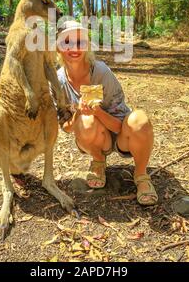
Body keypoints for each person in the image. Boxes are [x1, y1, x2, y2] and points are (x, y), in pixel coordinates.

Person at [54, 20, 158, 206]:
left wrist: (98, 112)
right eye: (66, 42)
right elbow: (67, 128)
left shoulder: (101, 72)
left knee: (140, 120)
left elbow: (120, 125)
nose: (74, 48)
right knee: (86, 120)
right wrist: (79, 113)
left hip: (120, 135)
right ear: (58, 47)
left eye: (80, 42)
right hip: (92, 137)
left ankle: (141, 175)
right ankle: (98, 161)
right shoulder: (58, 82)